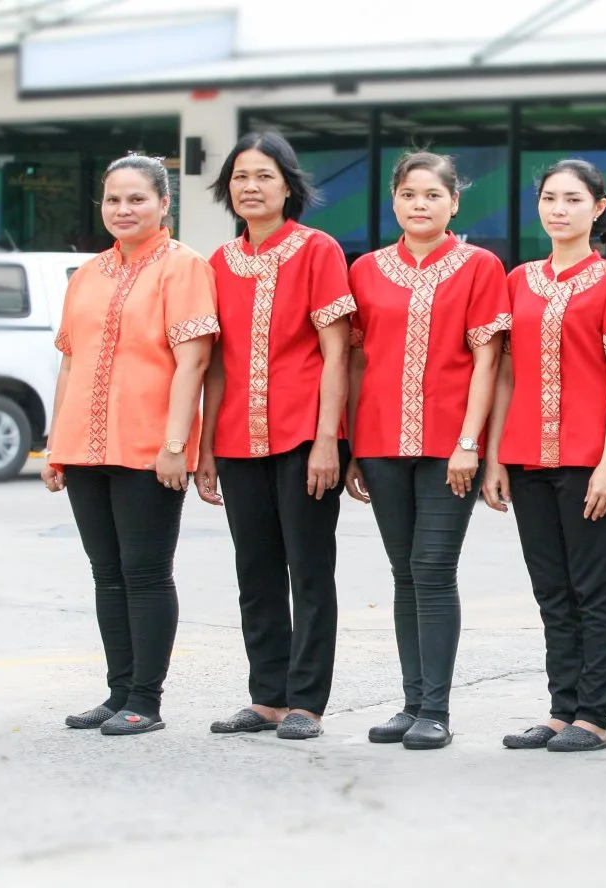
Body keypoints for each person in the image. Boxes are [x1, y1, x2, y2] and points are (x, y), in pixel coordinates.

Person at [43, 154, 217, 735]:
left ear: (164, 204)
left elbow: (192, 362)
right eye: (113, 199)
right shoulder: (87, 274)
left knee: (144, 573)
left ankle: (147, 699)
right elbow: (70, 360)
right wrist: (55, 443)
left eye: (137, 199)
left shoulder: (184, 267)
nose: (123, 209)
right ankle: (118, 693)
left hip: (149, 447)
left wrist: (176, 444)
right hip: (83, 445)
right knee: (106, 573)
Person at [344, 151, 508, 750]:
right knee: (402, 572)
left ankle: (435, 709)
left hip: (448, 445)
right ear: (394, 200)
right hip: (382, 441)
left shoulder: (479, 266)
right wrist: (354, 445)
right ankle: (411, 702)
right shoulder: (364, 270)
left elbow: (488, 359)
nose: (421, 204)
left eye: (433, 196)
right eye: (410, 194)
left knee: (433, 568)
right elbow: (358, 359)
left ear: (453, 203)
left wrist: (472, 442)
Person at [197, 131, 355, 741]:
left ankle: (307, 702)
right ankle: (267, 696)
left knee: (309, 570)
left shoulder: (317, 251)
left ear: (288, 185)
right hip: (237, 438)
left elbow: (336, 353)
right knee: (255, 570)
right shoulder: (218, 262)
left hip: (302, 437)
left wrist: (326, 441)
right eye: (240, 177)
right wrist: (207, 444)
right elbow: (213, 363)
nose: (250, 187)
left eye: (263, 176)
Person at [482, 158, 606, 753]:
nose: (559, 209)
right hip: (526, 454)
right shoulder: (517, 279)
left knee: (592, 587)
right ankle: (561, 709)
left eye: (574, 199)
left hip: (586, 458)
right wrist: (496, 455)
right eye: (550, 198)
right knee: (550, 588)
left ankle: (594, 716)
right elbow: (503, 372)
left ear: (598, 208)